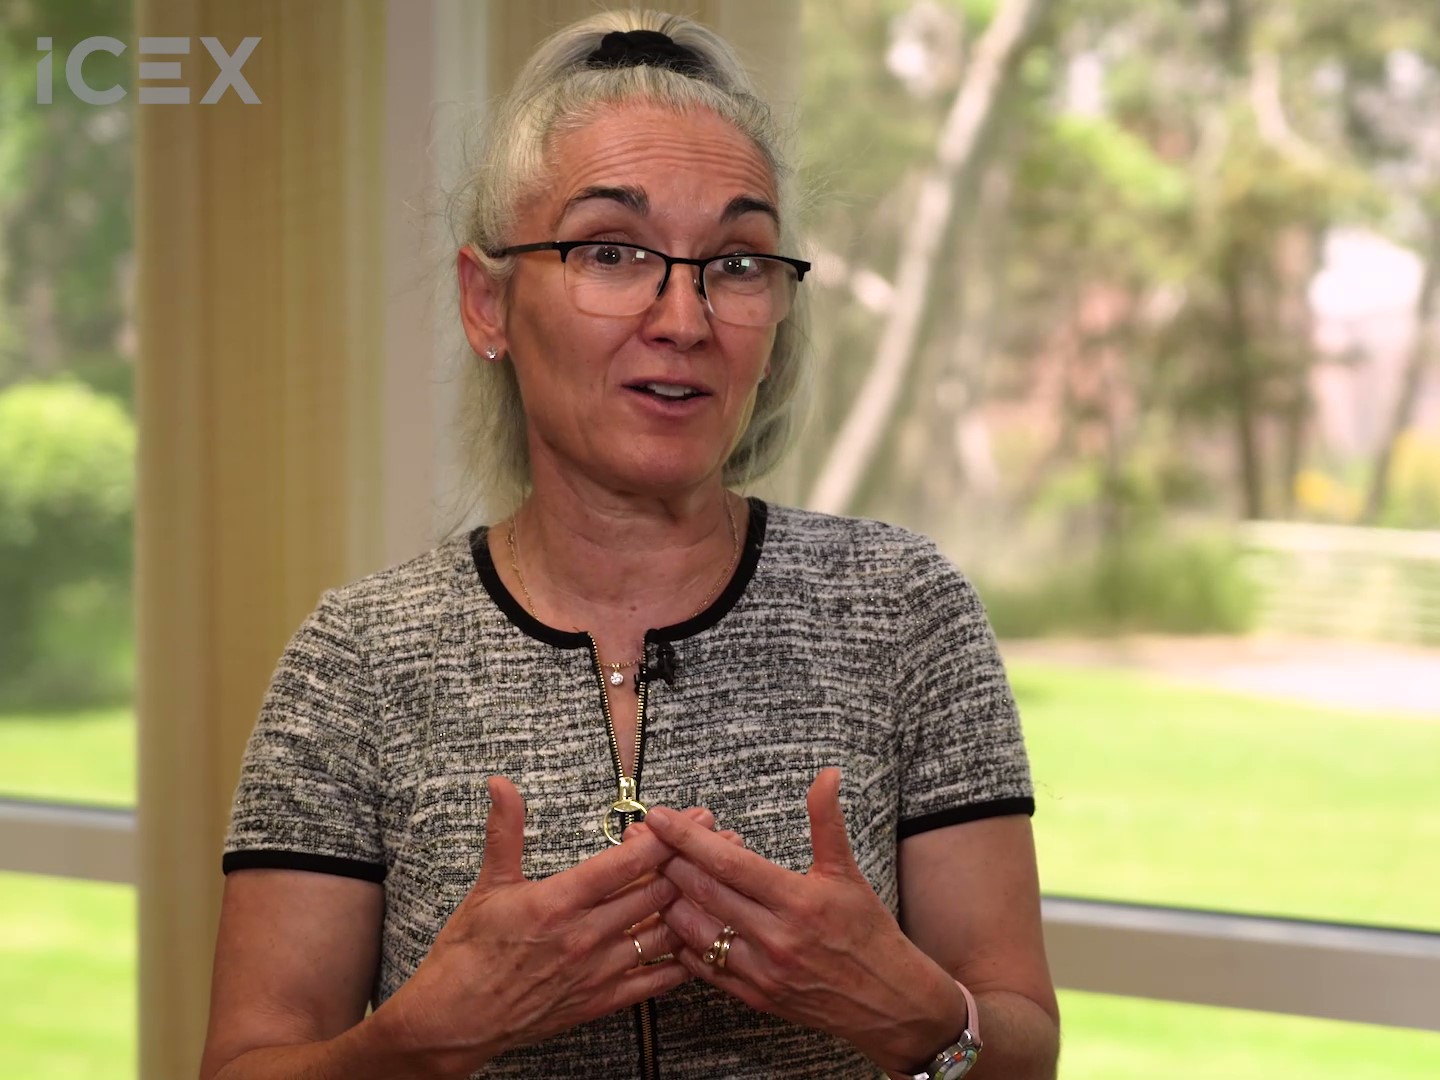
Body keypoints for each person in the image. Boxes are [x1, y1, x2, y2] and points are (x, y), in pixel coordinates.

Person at [197, 11, 1058, 1079]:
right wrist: (416, 1045)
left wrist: (920, 1018)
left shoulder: (901, 610)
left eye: (737, 262)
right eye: (612, 251)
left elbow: (1022, 1046)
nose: (685, 317)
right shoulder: (359, 660)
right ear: (486, 301)